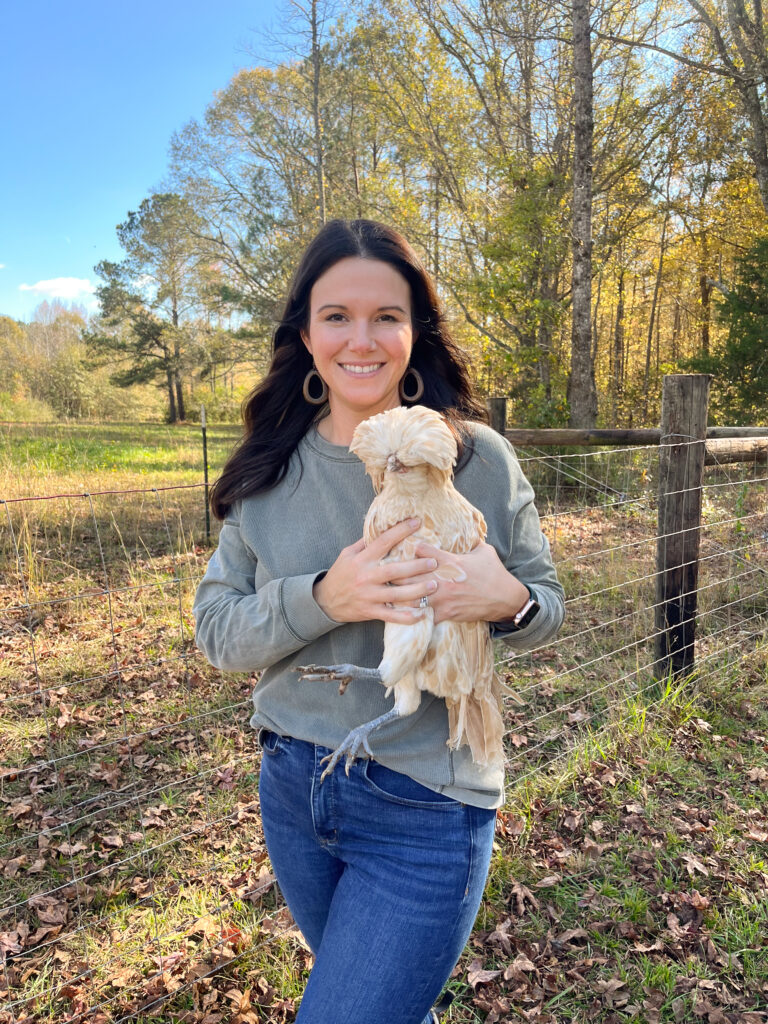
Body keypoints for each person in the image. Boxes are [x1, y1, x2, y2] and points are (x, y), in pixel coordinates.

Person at [193, 219, 565, 1024]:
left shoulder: (478, 458)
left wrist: (504, 599)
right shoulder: (269, 465)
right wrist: (328, 595)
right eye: (336, 316)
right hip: (294, 787)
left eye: (386, 317)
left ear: (415, 331)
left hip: (426, 801)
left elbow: (545, 604)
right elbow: (218, 631)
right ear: (305, 331)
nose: (361, 340)